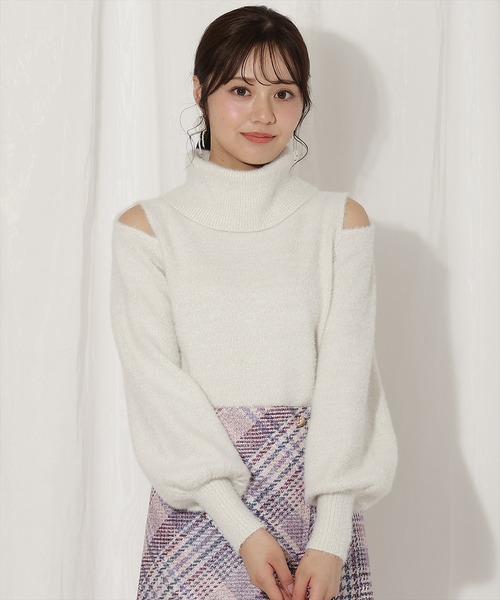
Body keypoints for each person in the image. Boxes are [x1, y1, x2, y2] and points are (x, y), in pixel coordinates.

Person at [110, 5, 398, 600]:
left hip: (317, 521)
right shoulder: (148, 230)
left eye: (283, 93)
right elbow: (156, 385)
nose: (264, 113)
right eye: (241, 89)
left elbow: (349, 383)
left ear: (303, 101)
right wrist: (239, 525)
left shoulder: (339, 222)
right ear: (200, 90)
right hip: (198, 511)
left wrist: (332, 535)